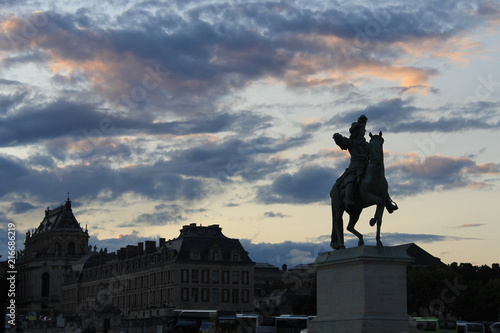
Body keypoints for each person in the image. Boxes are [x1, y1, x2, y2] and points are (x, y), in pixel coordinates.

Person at [333, 114, 398, 213]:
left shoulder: (367, 144)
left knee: (380, 181)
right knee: (351, 179)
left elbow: (373, 154)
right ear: (357, 131)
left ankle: (388, 202)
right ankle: (348, 199)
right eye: (362, 129)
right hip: (355, 166)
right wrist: (338, 137)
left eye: (364, 129)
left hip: (367, 165)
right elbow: (342, 142)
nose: (364, 131)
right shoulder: (351, 142)